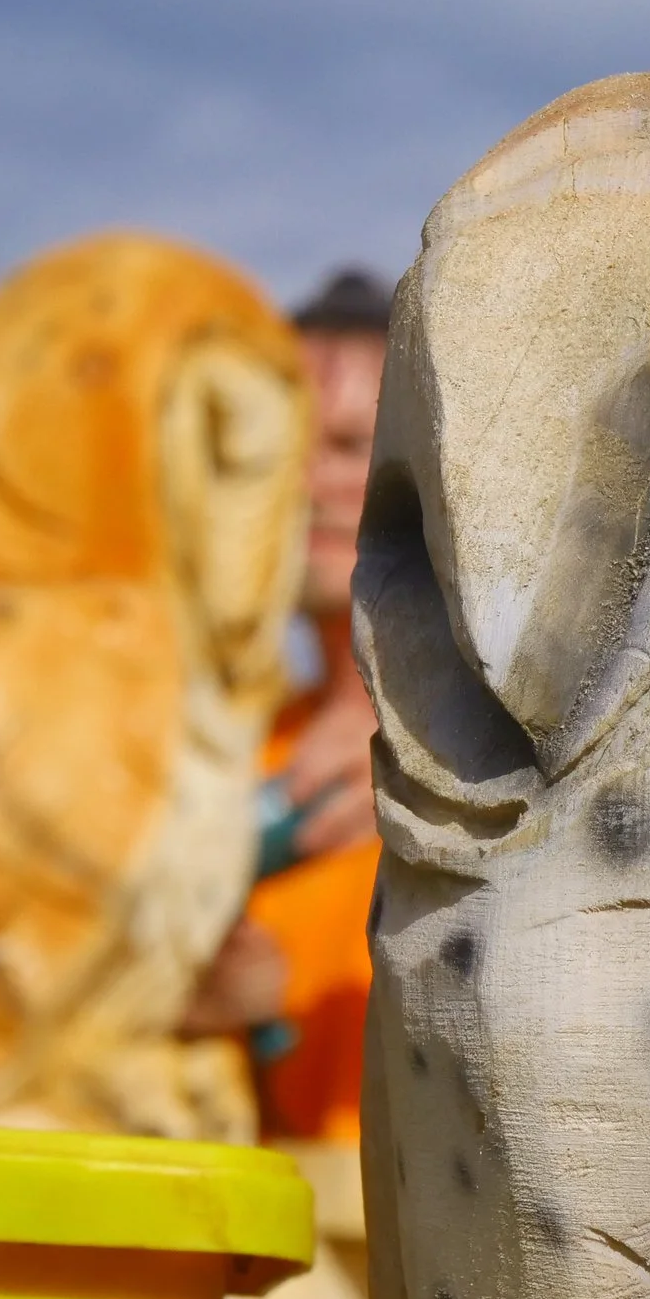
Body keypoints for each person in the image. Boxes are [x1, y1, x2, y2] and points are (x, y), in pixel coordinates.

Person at [181, 267, 389, 1142]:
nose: (307, 483)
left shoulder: (530, 755)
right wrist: (217, 1018)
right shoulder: (219, 764)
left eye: (349, 445)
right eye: (284, 449)